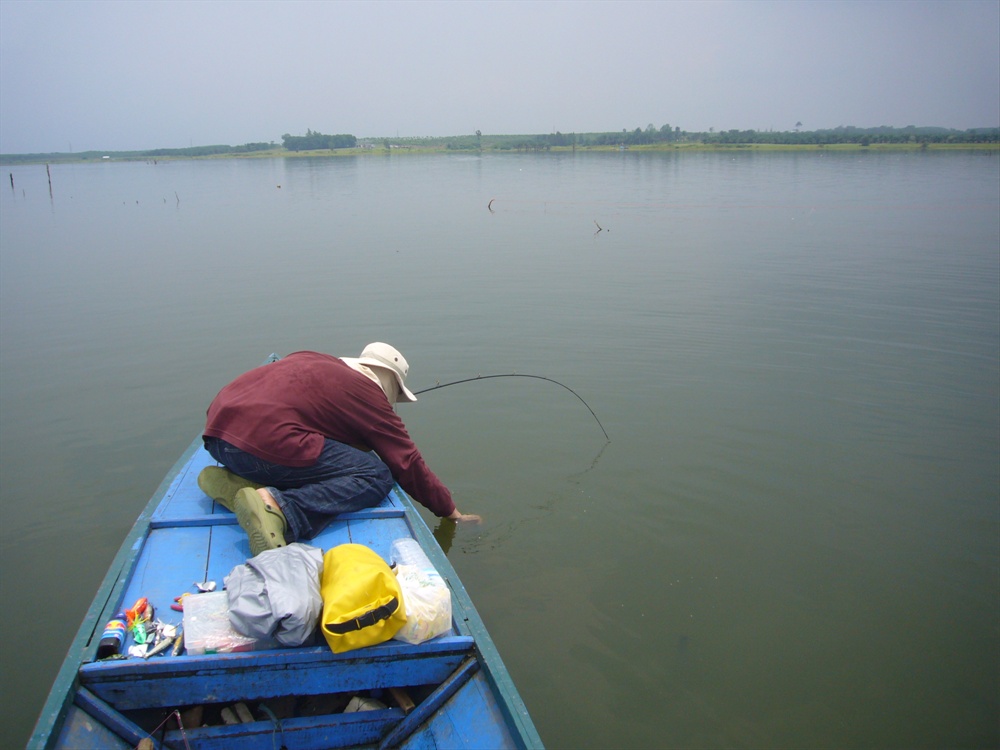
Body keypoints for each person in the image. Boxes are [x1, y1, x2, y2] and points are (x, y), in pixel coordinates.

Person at [199, 343, 480, 556]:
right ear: (390, 383)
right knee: (376, 475)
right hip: (261, 446)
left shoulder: (312, 358)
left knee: (302, 450)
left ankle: (237, 484)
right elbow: (406, 462)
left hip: (218, 437)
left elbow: (303, 412)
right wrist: (451, 512)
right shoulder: (368, 394)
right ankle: (281, 509)